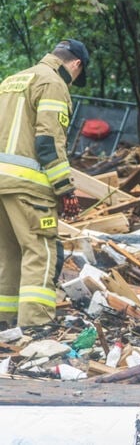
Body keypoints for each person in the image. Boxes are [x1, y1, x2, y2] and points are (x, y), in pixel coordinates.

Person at [0, 40, 89, 329]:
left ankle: (5, 322)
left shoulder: (11, 80)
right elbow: (48, 141)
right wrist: (65, 188)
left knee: (9, 254)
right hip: (29, 186)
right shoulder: (52, 83)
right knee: (41, 251)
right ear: (75, 64)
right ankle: (35, 325)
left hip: (2, 184)